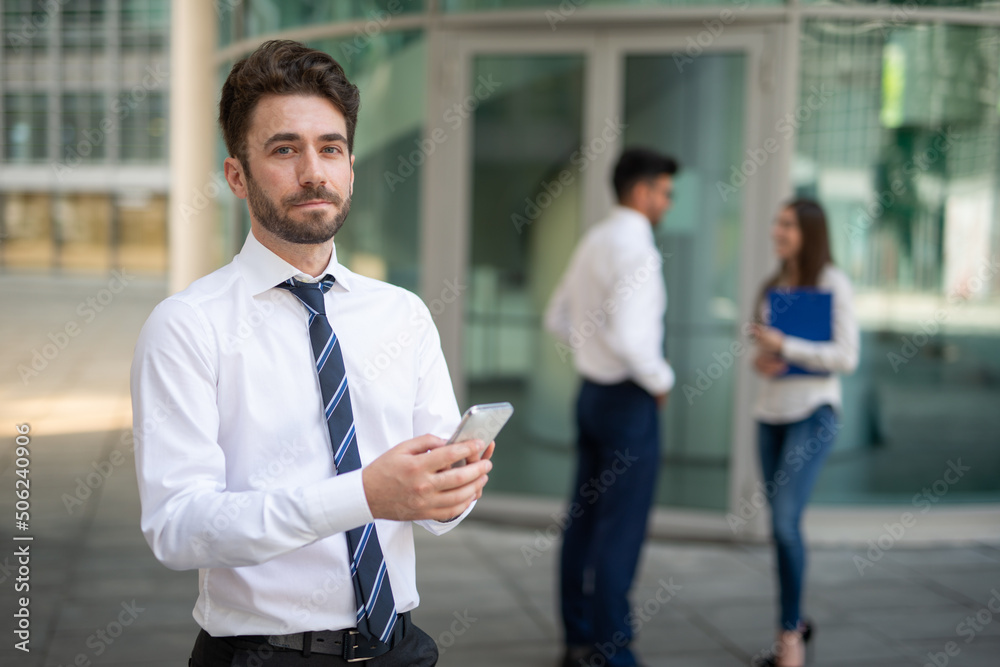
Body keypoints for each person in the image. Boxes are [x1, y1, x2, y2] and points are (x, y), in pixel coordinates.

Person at [130, 40, 494, 667]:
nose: (313, 172)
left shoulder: (401, 313)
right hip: (262, 655)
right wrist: (367, 495)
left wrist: (453, 489)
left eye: (330, 148)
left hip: (398, 647)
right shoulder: (187, 326)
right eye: (283, 149)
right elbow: (178, 527)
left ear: (351, 166)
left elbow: (435, 512)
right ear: (237, 176)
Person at [544, 148, 679, 667]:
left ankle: (578, 639)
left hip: (592, 395)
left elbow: (557, 316)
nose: (667, 203)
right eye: (665, 192)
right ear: (642, 192)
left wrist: (589, 347)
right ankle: (613, 651)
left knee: (583, 521)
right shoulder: (638, 249)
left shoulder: (596, 239)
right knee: (620, 530)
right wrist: (660, 380)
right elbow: (632, 338)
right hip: (628, 399)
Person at [748, 199, 859, 667]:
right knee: (782, 529)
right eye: (776, 222)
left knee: (784, 524)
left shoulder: (833, 283)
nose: (778, 230)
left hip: (813, 413)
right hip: (769, 414)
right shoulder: (772, 287)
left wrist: (786, 344)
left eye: (788, 224)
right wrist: (763, 359)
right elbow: (761, 357)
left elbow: (846, 357)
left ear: (810, 232)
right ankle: (796, 621)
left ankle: (789, 638)